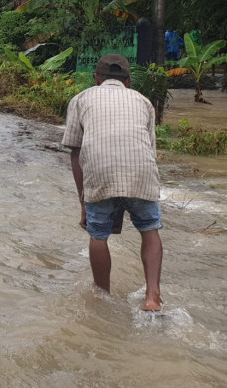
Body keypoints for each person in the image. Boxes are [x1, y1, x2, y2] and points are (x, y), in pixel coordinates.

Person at [61, 54, 163, 312]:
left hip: (99, 171)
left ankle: (103, 297)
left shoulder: (81, 99)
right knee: (150, 229)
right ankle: (152, 297)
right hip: (142, 171)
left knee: (98, 234)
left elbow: (75, 152)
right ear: (128, 81)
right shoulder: (144, 101)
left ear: (97, 78)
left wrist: (83, 200)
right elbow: (149, 151)